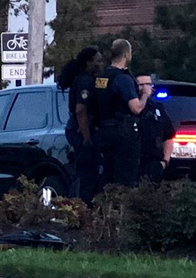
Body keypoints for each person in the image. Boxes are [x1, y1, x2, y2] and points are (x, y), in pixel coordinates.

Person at [86, 38, 152, 189]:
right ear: (126, 55)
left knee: (107, 177)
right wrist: (146, 94)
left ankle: (105, 208)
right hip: (124, 134)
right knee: (125, 180)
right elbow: (136, 108)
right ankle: (121, 210)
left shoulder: (101, 77)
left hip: (104, 131)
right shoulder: (123, 79)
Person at [55, 46, 102, 201]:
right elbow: (81, 110)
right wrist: (87, 138)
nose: (101, 64)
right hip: (81, 132)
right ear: (89, 62)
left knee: (86, 173)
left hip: (78, 130)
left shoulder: (83, 79)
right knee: (86, 173)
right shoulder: (86, 81)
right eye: (98, 61)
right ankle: (80, 208)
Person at [135, 74, 176, 184]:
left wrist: (165, 161)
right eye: (141, 85)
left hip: (153, 162)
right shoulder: (131, 107)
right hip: (133, 161)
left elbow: (168, 136)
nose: (145, 88)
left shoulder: (157, 108)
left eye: (148, 84)